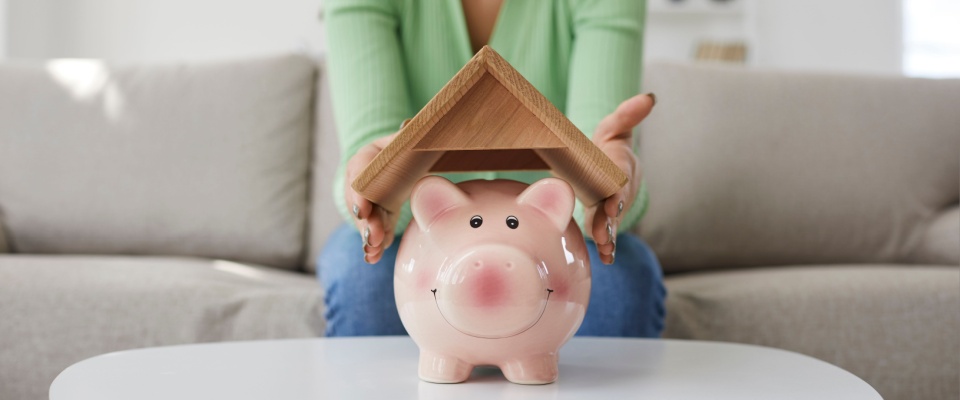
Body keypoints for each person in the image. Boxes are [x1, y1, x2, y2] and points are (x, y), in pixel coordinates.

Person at [319, 0, 665, 337]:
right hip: (418, 223)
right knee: (360, 279)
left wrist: (603, 187)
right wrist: (379, 191)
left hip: (556, 229)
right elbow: (367, 159)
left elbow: (595, 159)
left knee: (623, 283)